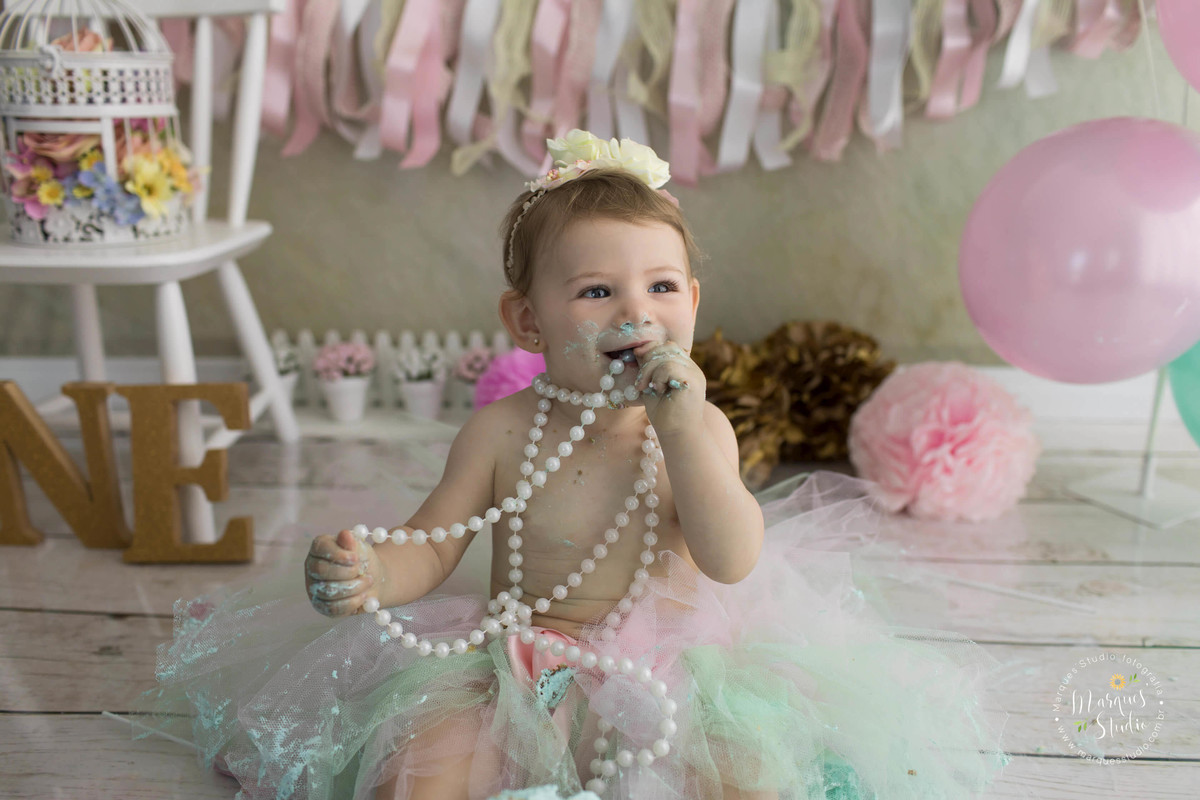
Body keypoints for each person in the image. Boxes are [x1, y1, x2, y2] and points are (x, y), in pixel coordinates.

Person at [139, 131, 1011, 800]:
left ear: (693, 304)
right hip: (510, 660)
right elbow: (436, 543)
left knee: (749, 776)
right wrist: (373, 573)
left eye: (662, 288)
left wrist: (678, 427)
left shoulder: (695, 425)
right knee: (418, 770)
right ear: (528, 323)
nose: (637, 311)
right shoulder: (502, 430)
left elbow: (732, 557)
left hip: (679, 670)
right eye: (598, 291)